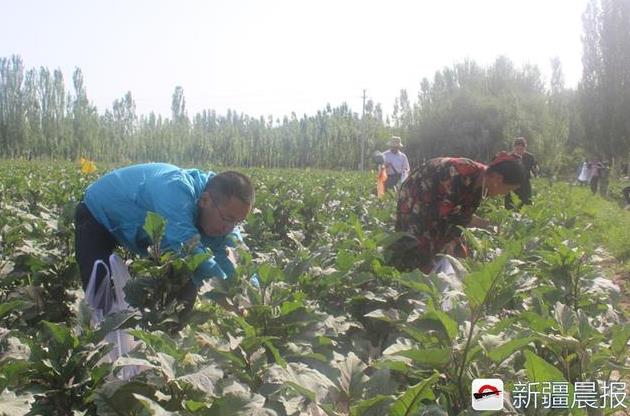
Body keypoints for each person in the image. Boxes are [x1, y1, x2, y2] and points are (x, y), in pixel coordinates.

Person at [74, 163, 254, 315]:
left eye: (237, 222)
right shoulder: (175, 190)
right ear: (204, 200)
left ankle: (166, 336)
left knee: (182, 284)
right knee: (100, 292)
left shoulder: (223, 212)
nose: (229, 228)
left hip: (135, 226)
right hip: (97, 213)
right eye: (228, 219)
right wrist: (223, 293)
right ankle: (103, 338)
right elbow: (187, 247)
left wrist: (253, 298)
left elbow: (236, 259)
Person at [388, 152, 524, 274]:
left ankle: (431, 277)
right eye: (507, 190)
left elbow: (463, 218)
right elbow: (448, 216)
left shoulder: (481, 183)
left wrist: (488, 225)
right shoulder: (460, 173)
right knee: (417, 239)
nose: (504, 194)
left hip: (437, 202)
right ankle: (401, 276)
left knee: (450, 247)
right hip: (419, 192)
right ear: (498, 179)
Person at [504, 137, 538, 209]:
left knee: (526, 206)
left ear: (525, 148)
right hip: (512, 185)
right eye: (517, 149)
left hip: (525, 186)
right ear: (514, 148)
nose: (519, 151)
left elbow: (534, 168)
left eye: (521, 149)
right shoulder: (509, 157)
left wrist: (536, 170)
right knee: (510, 207)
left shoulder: (530, 157)